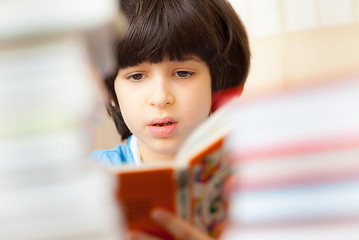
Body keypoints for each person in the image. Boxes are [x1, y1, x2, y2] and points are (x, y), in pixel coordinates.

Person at [91, 0, 251, 239]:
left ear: (217, 84)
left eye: (183, 73)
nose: (160, 97)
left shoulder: (252, 175)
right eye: (136, 76)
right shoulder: (91, 180)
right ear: (110, 93)